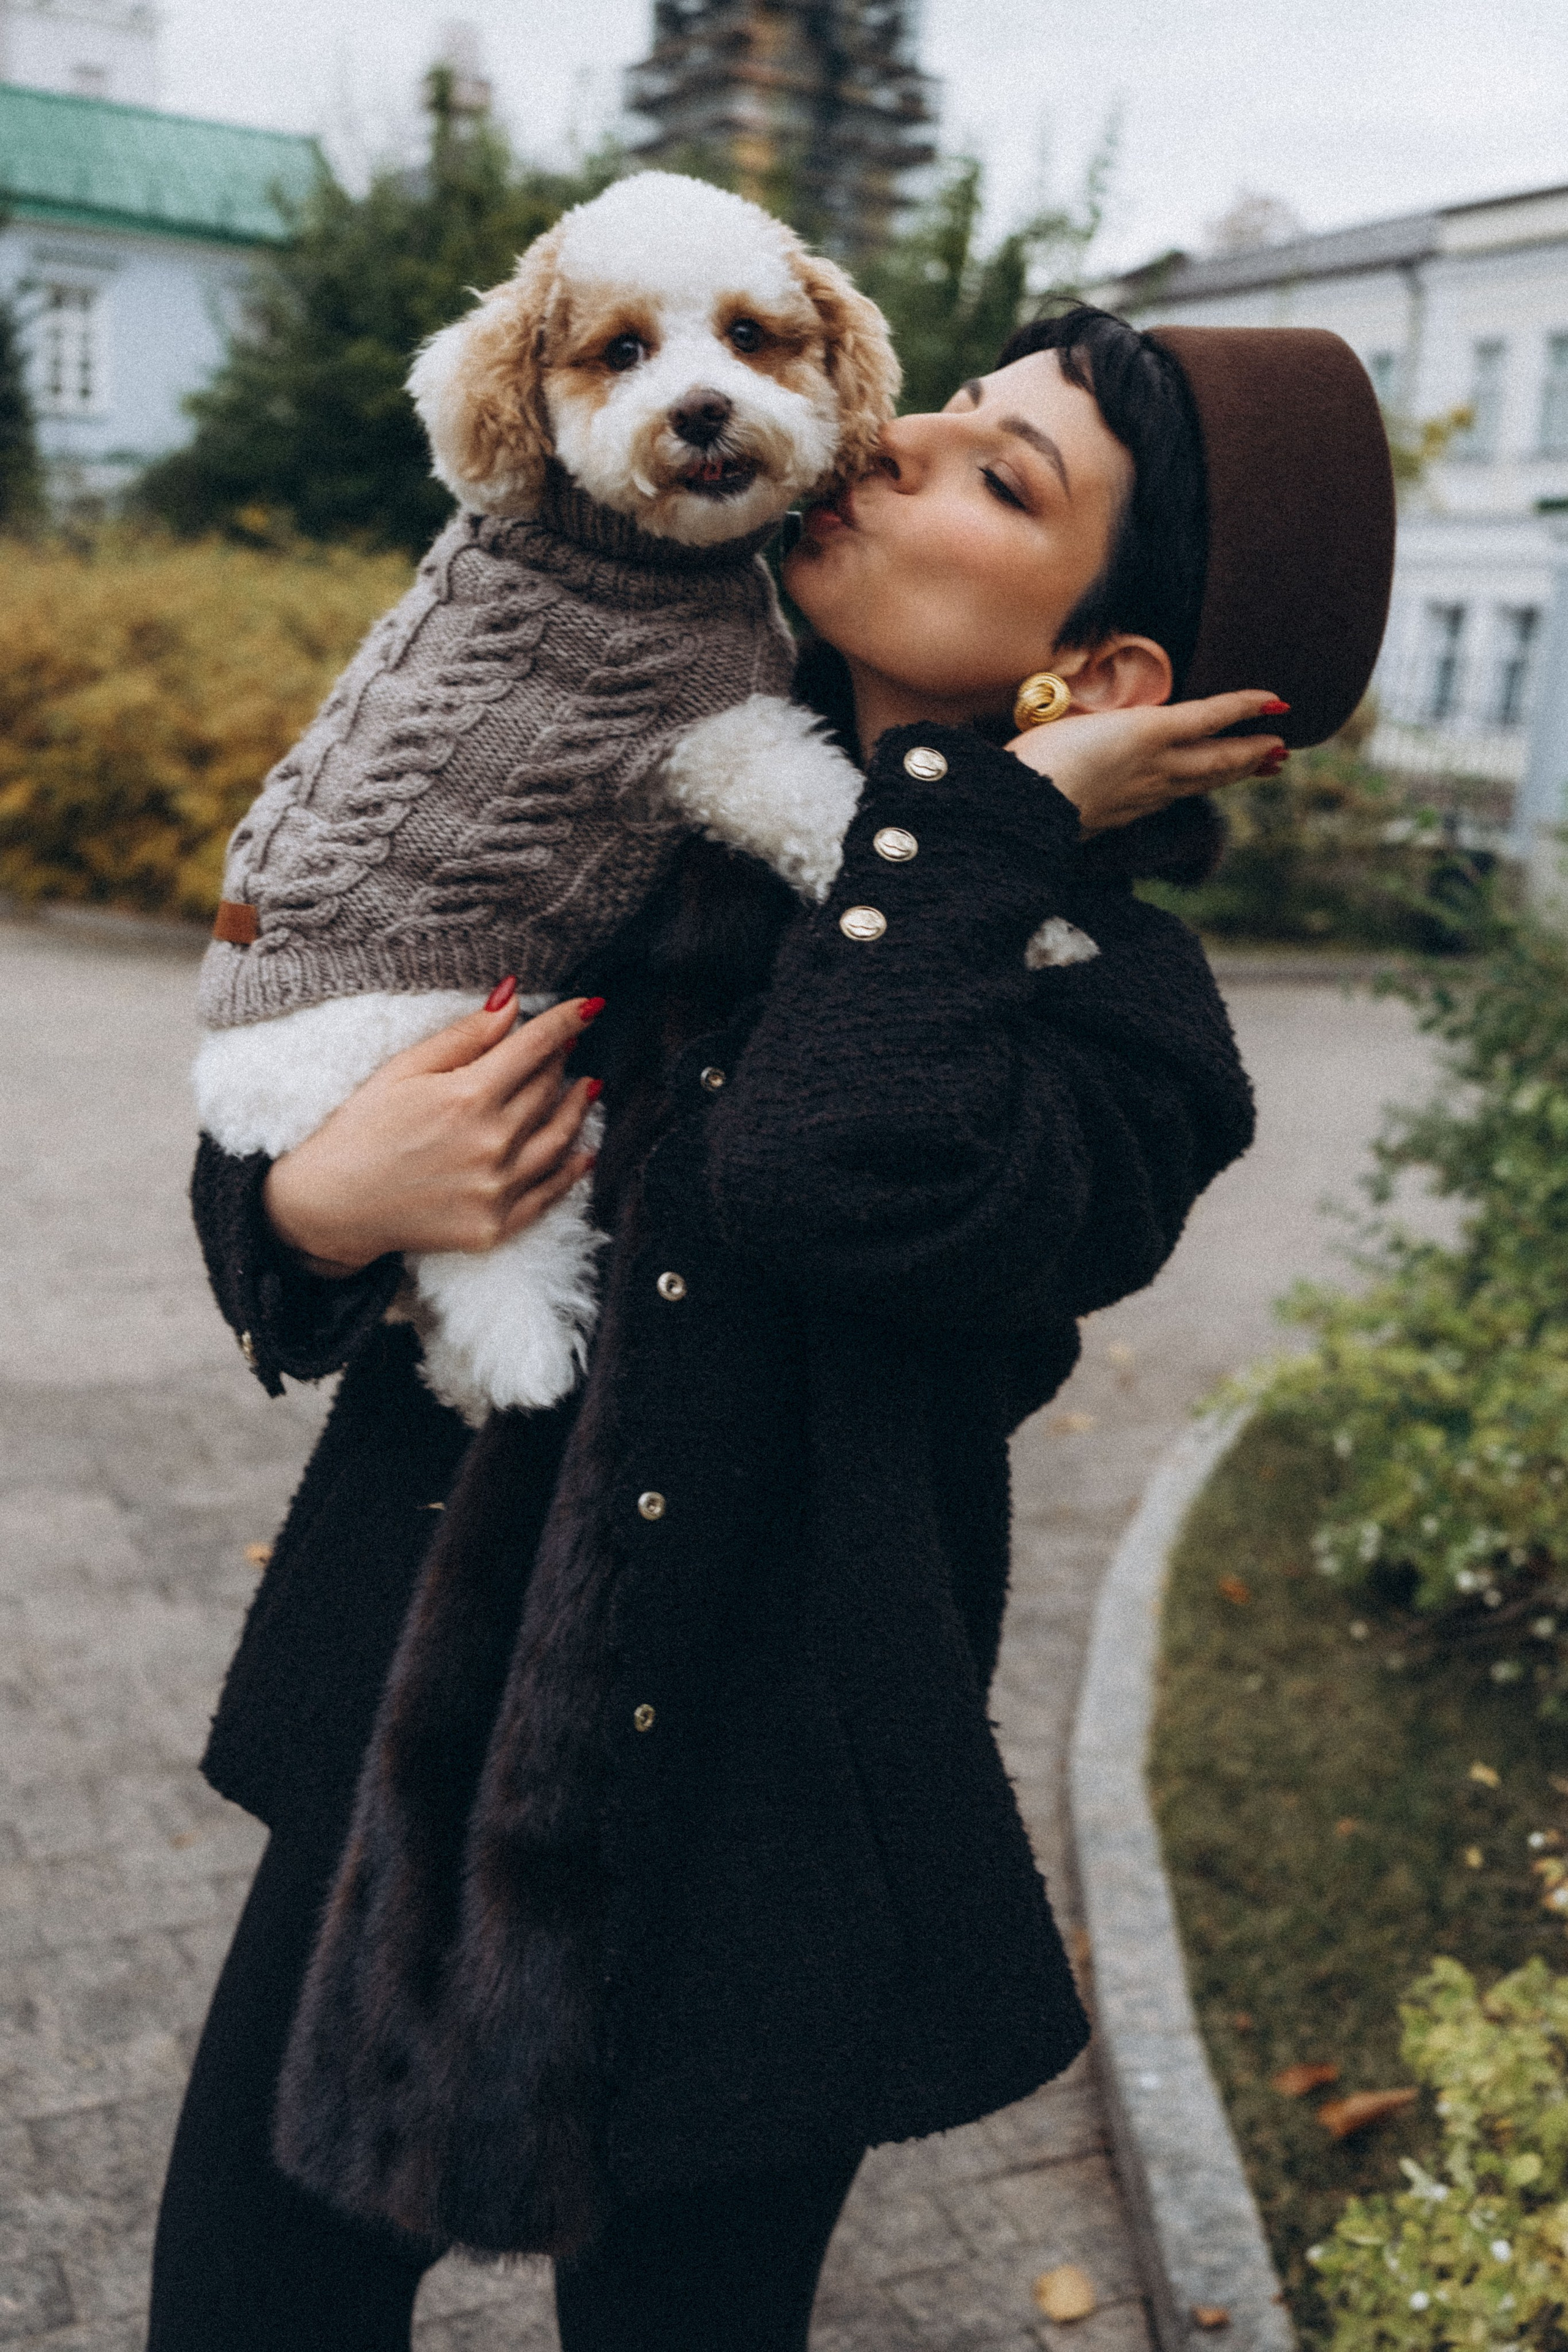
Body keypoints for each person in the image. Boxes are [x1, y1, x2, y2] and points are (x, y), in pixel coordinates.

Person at [146, 304, 1393, 2351]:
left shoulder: (1120, 1023)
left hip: (770, 1845)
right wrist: (318, 1203)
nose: (892, 452)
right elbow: (295, 1062)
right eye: (946, 413)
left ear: (1112, 676)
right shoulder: (640, 802)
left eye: (1008, 479)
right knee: (242, 2318)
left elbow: (834, 1167)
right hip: (406, 1748)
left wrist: (989, 819)